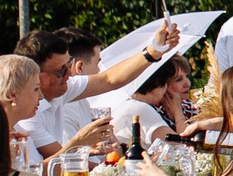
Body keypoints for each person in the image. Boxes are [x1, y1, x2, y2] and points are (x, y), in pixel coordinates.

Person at [17, 24, 173, 152]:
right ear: (36, 75)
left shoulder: (61, 88)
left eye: (68, 65)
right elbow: (59, 164)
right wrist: (81, 142)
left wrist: (154, 50)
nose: (69, 74)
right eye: (60, 71)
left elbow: (109, 79)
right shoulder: (27, 115)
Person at [107, 55, 193, 151]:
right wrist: (178, 112)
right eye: (165, 84)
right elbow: (182, 147)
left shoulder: (127, 105)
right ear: (157, 84)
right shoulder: (139, 109)